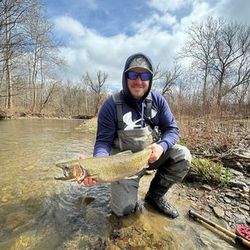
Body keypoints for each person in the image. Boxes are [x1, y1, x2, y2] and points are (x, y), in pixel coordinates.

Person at [82, 53, 191, 218]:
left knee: (182, 155)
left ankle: (155, 196)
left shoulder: (158, 101)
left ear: (150, 79)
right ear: (125, 77)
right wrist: (97, 165)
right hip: (122, 167)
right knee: (122, 212)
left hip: (149, 158)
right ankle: (125, 188)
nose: (139, 81)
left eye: (144, 75)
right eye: (133, 74)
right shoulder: (111, 105)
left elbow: (172, 130)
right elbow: (103, 142)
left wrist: (162, 147)